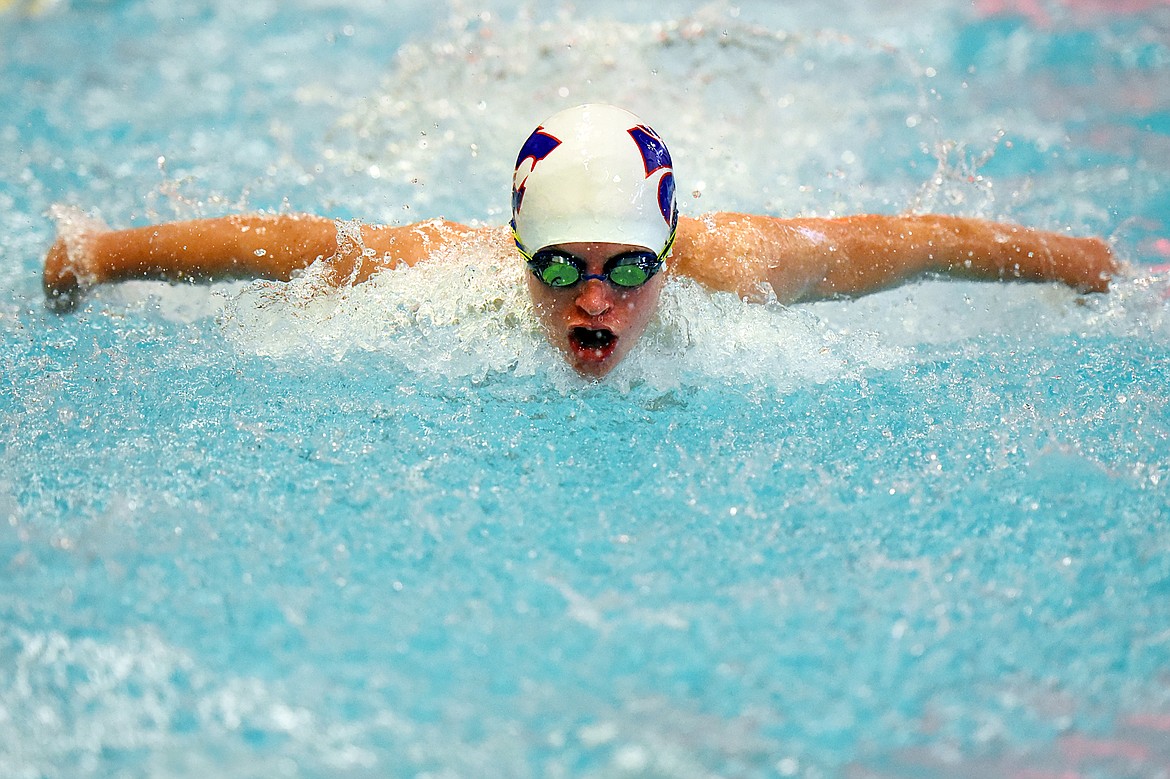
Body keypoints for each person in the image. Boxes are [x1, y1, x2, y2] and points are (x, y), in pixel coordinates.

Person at [43, 103, 1118, 377]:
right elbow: (297, 246)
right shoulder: (448, 275)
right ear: (516, 253)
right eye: (558, 266)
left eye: (626, 269)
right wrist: (99, 253)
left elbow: (927, 238)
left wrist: (1097, 270)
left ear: (669, 251)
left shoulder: (743, 269)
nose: (592, 300)